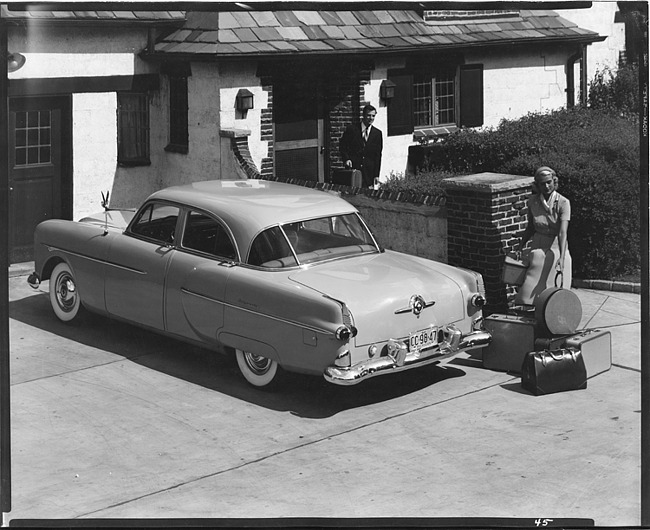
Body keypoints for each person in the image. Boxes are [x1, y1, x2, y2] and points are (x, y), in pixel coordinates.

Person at [514, 166, 572, 305]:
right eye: (542, 183)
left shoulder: (563, 203)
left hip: (557, 248)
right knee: (531, 287)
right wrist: (520, 246)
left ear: (554, 181)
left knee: (553, 289)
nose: (546, 186)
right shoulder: (533, 201)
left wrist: (562, 258)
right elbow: (530, 227)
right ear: (537, 185)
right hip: (538, 247)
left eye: (549, 182)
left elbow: (563, 232)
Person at [339, 104, 383, 188]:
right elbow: (342, 146)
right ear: (363, 115)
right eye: (368, 115)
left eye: (373, 116)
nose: (371, 118)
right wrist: (346, 159)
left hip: (369, 175)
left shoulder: (377, 134)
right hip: (354, 172)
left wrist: (376, 175)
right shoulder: (352, 130)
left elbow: (378, 156)